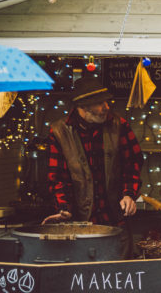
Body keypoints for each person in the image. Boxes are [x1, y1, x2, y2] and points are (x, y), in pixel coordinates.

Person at [44, 76, 144, 259]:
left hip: (116, 225)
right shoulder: (59, 132)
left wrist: (129, 194)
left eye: (106, 102)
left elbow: (133, 164)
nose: (106, 107)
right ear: (82, 107)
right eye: (99, 103)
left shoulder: (119, 125)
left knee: (118, 279)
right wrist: (63, 207)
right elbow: (57, 177)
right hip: (79, 229)